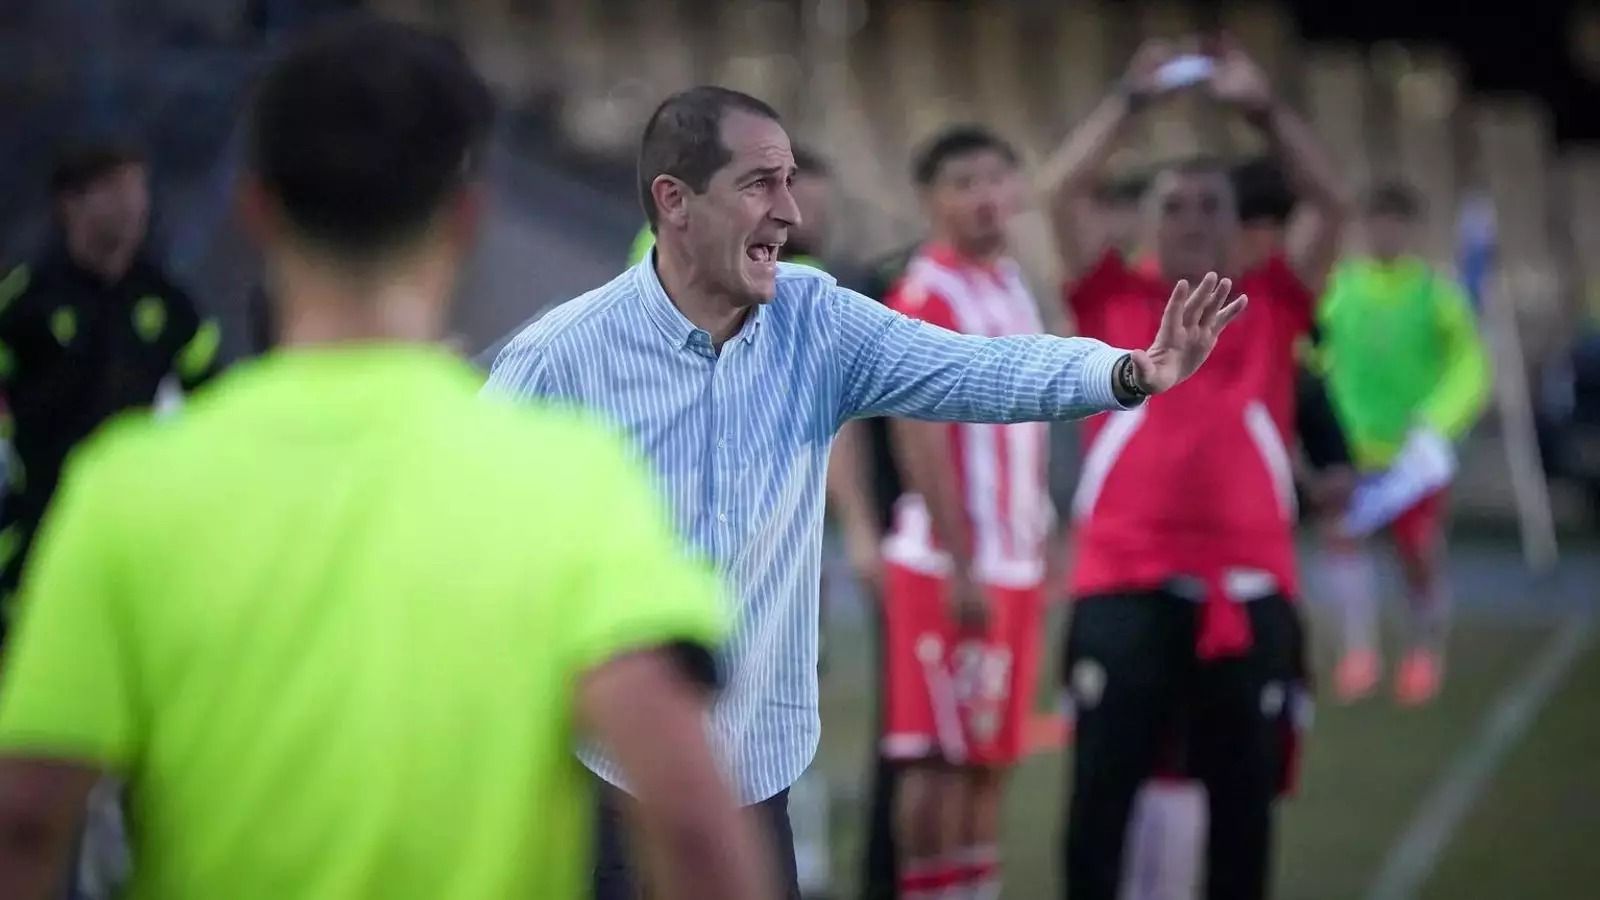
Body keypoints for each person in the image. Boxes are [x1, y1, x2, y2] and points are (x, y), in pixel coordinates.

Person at [0, 19, 771, 900]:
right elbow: (688, 816)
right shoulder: (575, 478)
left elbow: (26, 819)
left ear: (257, 211)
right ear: (466, 215)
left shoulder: (128, 489)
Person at [486, 84, 1247, 900]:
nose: (789, 210)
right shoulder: (557, 360)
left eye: (788, 180)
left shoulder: (816, 319)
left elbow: (976, 370)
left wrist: (1129, 371)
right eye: (759, 184)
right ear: (674, 201)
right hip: (610, 775)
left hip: (756, 772)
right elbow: (474, 552)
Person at [1040, 37, 1348, 900]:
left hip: (1248, 595)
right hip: (1121, 588)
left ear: (1237, 220)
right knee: (1099, 804)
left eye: (1211, 204)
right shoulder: (1108, 296)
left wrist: (1263, 111)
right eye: (1174, 204)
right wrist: (1127, 105)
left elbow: (1332, 201)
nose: (1192, 218)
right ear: (1146, 221)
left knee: (1243, 813)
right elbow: (1058, 192)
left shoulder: (1276, 299)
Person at [870, 124, 1060, 900]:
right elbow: (915, 433)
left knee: (989, 758)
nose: (984, 198)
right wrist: (958, 557)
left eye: (994, 179)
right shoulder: (926, 293)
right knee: (935, 756)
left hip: (1014, 559)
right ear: (930, 200)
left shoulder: (1012, 284)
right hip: (952, 562)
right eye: (963, 183)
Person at [0, 141, 223, 641]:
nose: (132, 203)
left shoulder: (167, 303)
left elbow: (216, 402)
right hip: (39, 523)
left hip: (134, 529)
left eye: (138, 188)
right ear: (70, 204)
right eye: (113, 189)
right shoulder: (26, 300)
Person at [1315, 180, 1491, 705]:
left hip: (1411, 457)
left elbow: (1471, 366)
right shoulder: (1340, 289)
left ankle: (1424, 650)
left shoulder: (1435, 294)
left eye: (1395, 223)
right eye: (1377, 222)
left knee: (1418, 555)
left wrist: (1438, 420)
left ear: (1411, 230)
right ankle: (1358, 652)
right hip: (1351, 449)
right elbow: (1315, 354)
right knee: (1344, 549)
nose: (1385, 233)